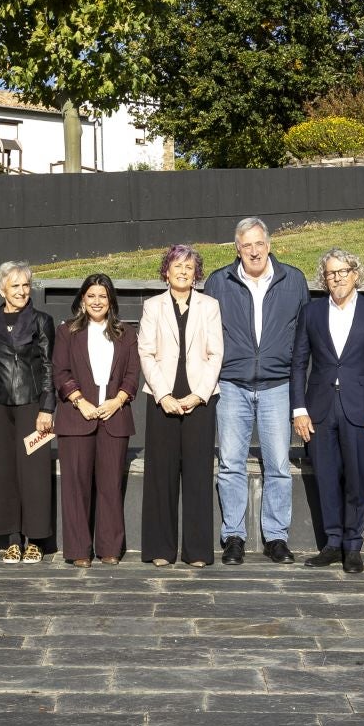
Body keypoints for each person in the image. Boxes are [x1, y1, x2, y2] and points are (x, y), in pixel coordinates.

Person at [203, 218, 307, 565]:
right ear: (237, 248)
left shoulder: (293, 280)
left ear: (269, 244)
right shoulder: (219, 282)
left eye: (258, 243)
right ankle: (234, 535)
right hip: (232, 383)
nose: (253, 251)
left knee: (278, 464)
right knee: (231, 463)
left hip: (278, 385)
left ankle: (276, 537)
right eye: (246, 245)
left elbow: (304, 336)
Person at [292, 249, 364, 573]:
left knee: (355, 477)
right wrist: (299, 409)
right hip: (320, 408)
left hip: (361, 409)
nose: (337, 277)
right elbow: (298, 364)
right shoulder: (310, 312)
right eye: (330, 273)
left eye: (343, 271)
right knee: (325, 477)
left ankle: (353, 545)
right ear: (323, 278)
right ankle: (332, 543)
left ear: (355, 274)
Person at [138, 243, 224, 567]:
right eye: (178, 266)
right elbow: (146, 352)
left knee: (198, 474)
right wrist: (163, 395)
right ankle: (161, 549)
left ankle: (197, 551)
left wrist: (199, 394)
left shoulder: (210, 306)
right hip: (162, 399)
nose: (183, 272)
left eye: (189, 267)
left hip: (199, 400)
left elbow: (216, 353)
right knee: (161, 474)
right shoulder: (153, 307)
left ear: (196, 273)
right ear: (167, 271)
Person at [49, 274, 138, 566]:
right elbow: (60, 372)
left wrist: (118, 401)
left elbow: (132, 375)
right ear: (83, 300)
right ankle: (77, 551)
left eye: (103, 296)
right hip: (78, 415)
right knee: (75, 485)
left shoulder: (126, 333)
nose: (97, 301)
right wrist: (80, 401)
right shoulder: (67, 332)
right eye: (91, 296)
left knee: (110, 485)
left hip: (115, 415)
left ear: (111, 300)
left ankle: (109, 547)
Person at [0, 261, 56, 563]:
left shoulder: (42, 320)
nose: (22, 291)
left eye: (26, 285)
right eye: (15, 286)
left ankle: (36, 540)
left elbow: (49, 366)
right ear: (2, 289)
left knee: (34, 474)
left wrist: (47, 407)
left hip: (31, 406)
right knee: (2, 472)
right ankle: (11, 538)